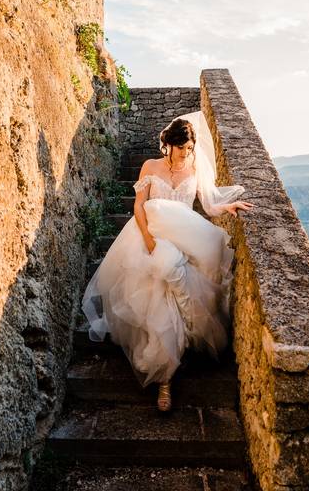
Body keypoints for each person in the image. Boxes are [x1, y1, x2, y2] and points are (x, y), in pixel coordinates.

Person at [81, 111, 254, 412]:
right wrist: (148, 241)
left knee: (182, 293)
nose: (185, 155)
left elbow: (209, 206)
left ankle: (176, 359)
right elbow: (138, 206)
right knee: (159, 305)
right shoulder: (150, 166)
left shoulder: (194, 168)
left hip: (185, 243)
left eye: (189, 150)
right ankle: (165, 382)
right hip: (150, 240)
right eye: (181, 149)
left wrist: (229, 205)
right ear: (169, 145)